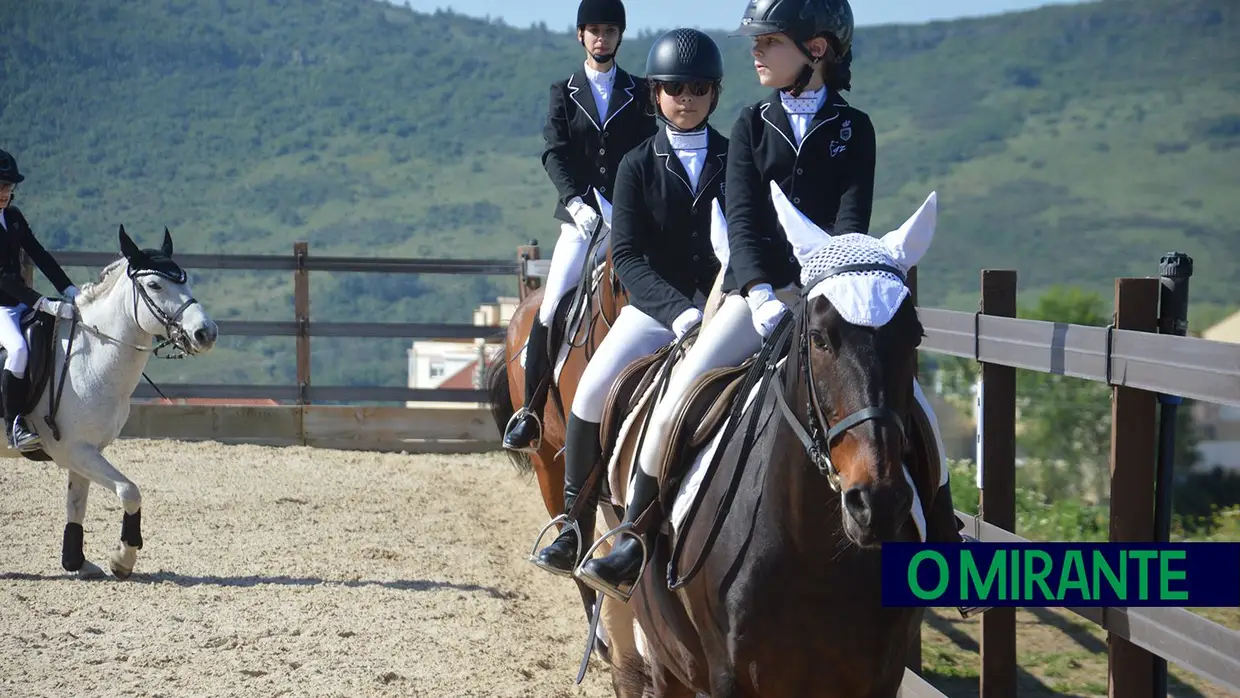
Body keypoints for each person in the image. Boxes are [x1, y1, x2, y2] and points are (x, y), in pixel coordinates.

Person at [577, 0, 898, 598]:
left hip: (826, 298)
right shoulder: (751, 124)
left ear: (817, 49)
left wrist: (816, 296)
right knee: (677, 397)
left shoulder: (856, 130)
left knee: (903, 403)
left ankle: (940, 534)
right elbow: (744, 224)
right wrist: (757, 293)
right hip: (751, 292)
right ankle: (634, 536)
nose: (756, 51)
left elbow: (851, 226)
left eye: (770, 41)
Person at [531, 28, 729, 579]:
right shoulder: (637, 165)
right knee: (589, 392)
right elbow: (630, 257)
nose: (685, 99)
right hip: (655, 310)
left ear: (714, 93)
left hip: (719, 307)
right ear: (655, 95)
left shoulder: (736, 162)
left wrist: (714, 301)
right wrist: (677, 309)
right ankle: (573, 526)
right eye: (674, 88)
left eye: (697, 88)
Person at [503, 0, 657, 452]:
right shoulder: (564, 91)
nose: (602, 38)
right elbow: (554, 152)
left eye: (610, 30)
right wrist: (575, 201)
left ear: (619, 36)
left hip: (629, 220)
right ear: (581, 36)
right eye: (594, 30)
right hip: (581, 220)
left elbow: (648, 150)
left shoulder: (640, 90)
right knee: (551, 307)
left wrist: (633, 206)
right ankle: (531, 412)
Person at [0, 148, 79, 451]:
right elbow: (3, 278)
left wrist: (69, 290)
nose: (5, 192)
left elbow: (39, 254)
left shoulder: (14, 218)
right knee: (18, 349)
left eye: (8, 186)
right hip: (1, 306)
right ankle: (14, 426)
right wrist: (40, 302)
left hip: (18, 301)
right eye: (0, 185)